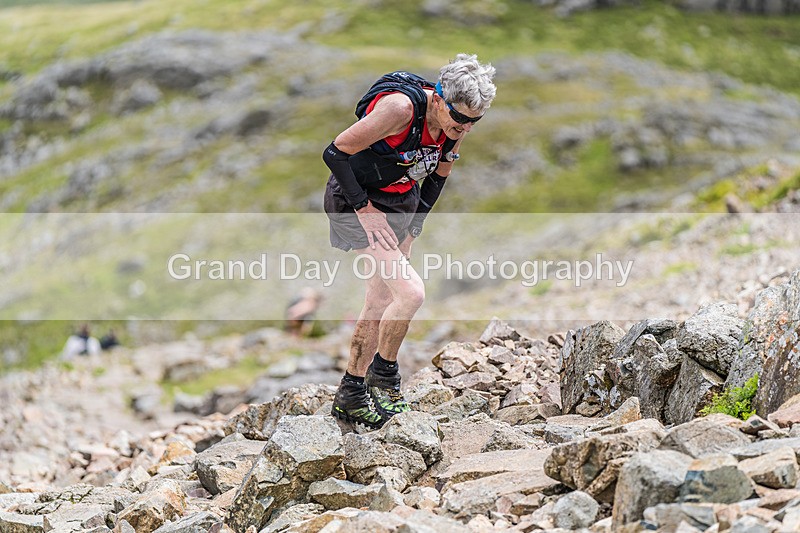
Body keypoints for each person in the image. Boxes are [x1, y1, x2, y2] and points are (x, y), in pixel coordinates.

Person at [322, 54, 496, 430]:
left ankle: (352, 392)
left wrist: (414, 227)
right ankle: (383, 379)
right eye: (460, 118)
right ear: (438, 98)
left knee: (381, 298)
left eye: (474, 121)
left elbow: (437, 178)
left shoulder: (453, 132)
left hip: (401, 203)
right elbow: (334, 152)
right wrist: (365, 210)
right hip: (357, 200)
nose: (464, 128)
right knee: (411, 292)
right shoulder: (399, 109)